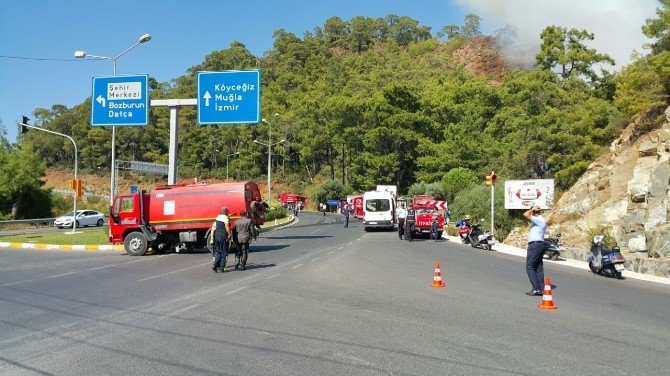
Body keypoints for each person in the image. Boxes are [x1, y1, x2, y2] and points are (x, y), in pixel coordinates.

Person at [523, 205, 547, 296]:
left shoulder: (539, 220)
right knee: (538, 268)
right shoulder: (540, 220)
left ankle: (536, 289)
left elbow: (525, 214)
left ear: (534, 212)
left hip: (535, 245)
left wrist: (532, 209)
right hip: (540, 245)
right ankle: (540, 289)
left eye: (533, 212)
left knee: (530, 266)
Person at [211, 207, 232, 273]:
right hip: (223, 236)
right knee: (224, 252)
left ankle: (215, 265)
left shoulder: (218, 217)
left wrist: (212, 239)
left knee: (218, 251)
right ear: (226, 212)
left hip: (217, 237)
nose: (228, 213)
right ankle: (222, 268)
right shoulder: (225, 218)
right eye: (227, 212)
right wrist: (229, 234)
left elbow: (215, 228)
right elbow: (226, 226)